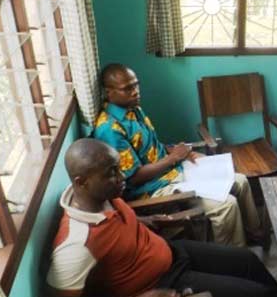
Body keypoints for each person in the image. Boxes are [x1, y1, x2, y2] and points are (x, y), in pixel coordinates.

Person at [45, 138, 277, 297]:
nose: (121, 178)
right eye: (111, 173)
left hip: (171, 251)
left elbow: (114, 228)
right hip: (163, 283)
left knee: (246, 259)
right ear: (81, 182)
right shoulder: (75, 244)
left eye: (118, 169)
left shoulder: (96, 194)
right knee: (253, 295)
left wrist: (142, 220)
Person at [93, 63, 266, 247]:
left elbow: (152, 147)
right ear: (108, 92)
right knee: (226, 205)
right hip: (153, 190)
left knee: (240, 181)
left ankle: (253, 234)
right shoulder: (110, 130)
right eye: (127, 89)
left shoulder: (133, 110)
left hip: (173, 171)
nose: (135, 92)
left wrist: (183, 153)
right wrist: (173, 158)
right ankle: (234, 255)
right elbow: (134, 177)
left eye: (136, 85)